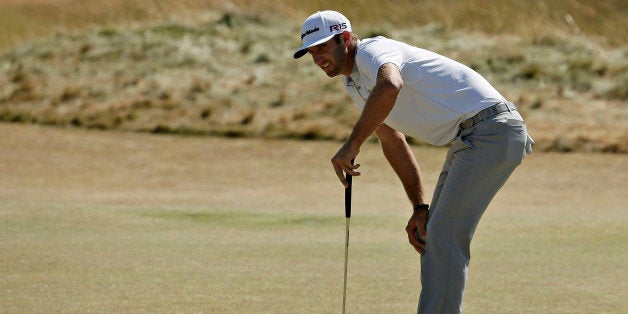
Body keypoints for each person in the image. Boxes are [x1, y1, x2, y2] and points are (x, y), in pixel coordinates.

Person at [293, 10, 534, 313]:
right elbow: (392, 139)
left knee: (444, 237)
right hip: (474, 138)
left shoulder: (373, 51)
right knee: (434, 234)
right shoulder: (354, 83)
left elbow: (391, 84)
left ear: (344, 38)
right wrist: (419, 207)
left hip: (492, 129)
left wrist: (352, 144)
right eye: (312, 52)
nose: (318, 59)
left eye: (323, 47)